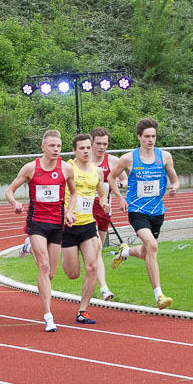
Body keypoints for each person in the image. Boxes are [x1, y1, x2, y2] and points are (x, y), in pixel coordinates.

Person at [5, 130, 77, 333]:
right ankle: (48, 316)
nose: (56, 149)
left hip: (56, 224)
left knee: (50, 274)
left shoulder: (66, 169)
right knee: (44, 266)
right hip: (36, 222)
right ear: (43, 147)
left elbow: (73, 193)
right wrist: (15, 203)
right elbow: (9, 190)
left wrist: (69, 212)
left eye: (59, 146)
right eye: (52, 146)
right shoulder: (30, 168)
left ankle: (28, 247)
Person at [108, 117, 180, 310]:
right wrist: (120, 198)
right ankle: (159, 295)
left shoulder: (164, 156)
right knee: (152, 246)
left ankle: (124, 252)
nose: (151, 140)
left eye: (153, 136)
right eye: (147, 136)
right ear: (139, 137)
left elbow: (175, 179)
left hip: (157, 211)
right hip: (137, 211)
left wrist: (174, 187)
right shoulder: (129, 158)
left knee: (144, 251)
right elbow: (111, 177)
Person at [61, 134, 108, 324]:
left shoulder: (97, 172)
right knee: (73, 274)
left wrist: (104, 203)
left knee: (93, 266)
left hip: (88, 225)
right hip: (68, 227)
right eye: (82, 148)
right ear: (74, 150)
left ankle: (83, 311)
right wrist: (66, 212)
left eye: (88, 147)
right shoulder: (67, 168)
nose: (86, 151)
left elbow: (102, 194)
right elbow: (57, 195)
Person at [90, 127, 121, 302]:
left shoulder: (113, 161)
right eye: (98, 144)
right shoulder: (82, 162)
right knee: (95, 248)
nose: (102, 147)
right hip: (86, 210)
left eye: (105, 144)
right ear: (91, 143)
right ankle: (104, 288)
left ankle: (92, 281)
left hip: (104, 209)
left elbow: (124, 179)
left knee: (96, 252)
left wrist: (119, 185)